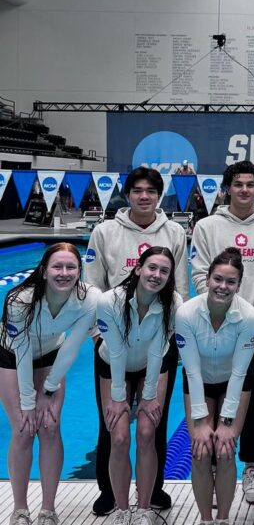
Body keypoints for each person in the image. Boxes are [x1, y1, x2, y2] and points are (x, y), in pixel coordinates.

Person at [85, 166, 189, 515]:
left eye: (151, 191)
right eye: (138, 190)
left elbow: (180, 283)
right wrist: (100, 330)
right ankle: (108, 491)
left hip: (156, 340)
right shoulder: (104, 231)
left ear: (159, 196)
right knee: (111, 423)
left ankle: (153, 488)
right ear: (127, 194)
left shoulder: (174, 231)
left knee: (152, 419)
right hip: (113, 334)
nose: (144, 196)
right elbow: (91, 283)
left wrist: (174, 331)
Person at [191, 160, 254, 504]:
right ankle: (214, 468)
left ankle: (249, 468)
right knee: (213, 395)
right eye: (238, 184)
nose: (244, 190)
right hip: (213, 324)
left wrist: (253, 313)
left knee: (253, 399)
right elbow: (201, 274)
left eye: (251, 185)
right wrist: (224, 311)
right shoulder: (207, 226)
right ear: (227, 187)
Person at [0, 243, 98, 525]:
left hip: (53, 355)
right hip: (11, 355)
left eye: (71, 267)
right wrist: (30, 402)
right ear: (43, 271)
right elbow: (22, 353)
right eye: (57, 266)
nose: (64, 273)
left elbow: (71, 349)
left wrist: (48, 391)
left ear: (80, 271)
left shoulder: (89, 298)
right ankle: (20, 509)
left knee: (51, 426)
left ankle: (48, 509)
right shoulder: (20, 298)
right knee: (23, 426)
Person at [96, 247, 182, 525]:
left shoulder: (173, 303)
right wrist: (119, 398)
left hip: (151, 366)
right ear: (137, 269)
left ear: (169, 277)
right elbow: (117, 351)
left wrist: (148, 398)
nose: (157, 275)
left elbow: (159, 352)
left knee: (147, 432)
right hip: (111, 364)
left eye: (164, 271)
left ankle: (144, 509)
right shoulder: (111, 300)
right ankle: (122, 511)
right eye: (152, 268)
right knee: (118, 436)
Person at [175, 247, 254, 525]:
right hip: (198, 381)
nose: (223, 287)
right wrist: (200, 421)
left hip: (234, 382)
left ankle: (223, 519)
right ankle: (206, 520)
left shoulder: (248, 317)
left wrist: (226, 422)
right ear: (207, 278)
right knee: (200, 452)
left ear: (238, 285)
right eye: (218, 279)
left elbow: (239, 372)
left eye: (230, 282)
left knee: (224, 450)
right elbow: (192, 370)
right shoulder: (186, 313)